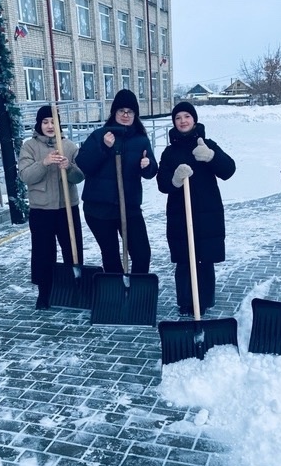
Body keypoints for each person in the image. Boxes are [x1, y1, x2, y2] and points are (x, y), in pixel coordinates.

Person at [156, 102, 236, 316]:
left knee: (205, 258)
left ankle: (204, 300)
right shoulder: (169, 152)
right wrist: (174, 180)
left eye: (187, 116)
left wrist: (211, 157)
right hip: (179, 213)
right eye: (178, 117)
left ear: (194, 120)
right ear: (174, 122)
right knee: (184, 259)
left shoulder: (207, 144)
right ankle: (185, 301)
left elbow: (229, 170)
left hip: (207, 211)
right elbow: (162, 184)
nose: (183, 121)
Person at [75, 89, 157, 273]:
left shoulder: (141, 140)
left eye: (130, 111)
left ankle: (136, 293)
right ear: (114, 112)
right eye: (121, 111)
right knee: (111, 255)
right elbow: (83, 164)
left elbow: (152, 171)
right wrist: (104, 147)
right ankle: (117, 294)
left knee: (142, 253)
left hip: (129, 207)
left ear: (135, 114)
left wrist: (148, 165)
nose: (126, 115)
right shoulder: (100, 135)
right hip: (99, 208)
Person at [18, 105, 84, 310]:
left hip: (67, 207)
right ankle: (44, 293)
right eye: (45, 122)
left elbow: (80, 176)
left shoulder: (70, 146)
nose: (49, 125)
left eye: (53, 121)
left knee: (72, 249)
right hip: (41, 209)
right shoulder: (29, 146)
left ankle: (74, 287)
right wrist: (44, 162)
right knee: (43, 252)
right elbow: (26, 176)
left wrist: (69, 167)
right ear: (39, 124)